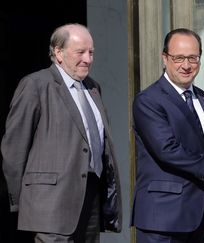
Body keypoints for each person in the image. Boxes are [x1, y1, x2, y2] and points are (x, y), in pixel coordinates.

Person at [1, 23, 122, 242]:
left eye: (91, 52)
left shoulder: (93, 88)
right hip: (51, 204)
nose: (88, 59)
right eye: (80, 52)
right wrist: (25, 200)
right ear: (58, 52)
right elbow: (14, 149)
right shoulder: (35, 85)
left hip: (91, 198)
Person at [131, 28, 204, 243]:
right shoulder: (148, 100)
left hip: (196, 216)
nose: (186, 65)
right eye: (179, 58)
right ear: (164, 58)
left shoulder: (202, 98)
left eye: (193, 58)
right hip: (162, 219)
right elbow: (167, 150)